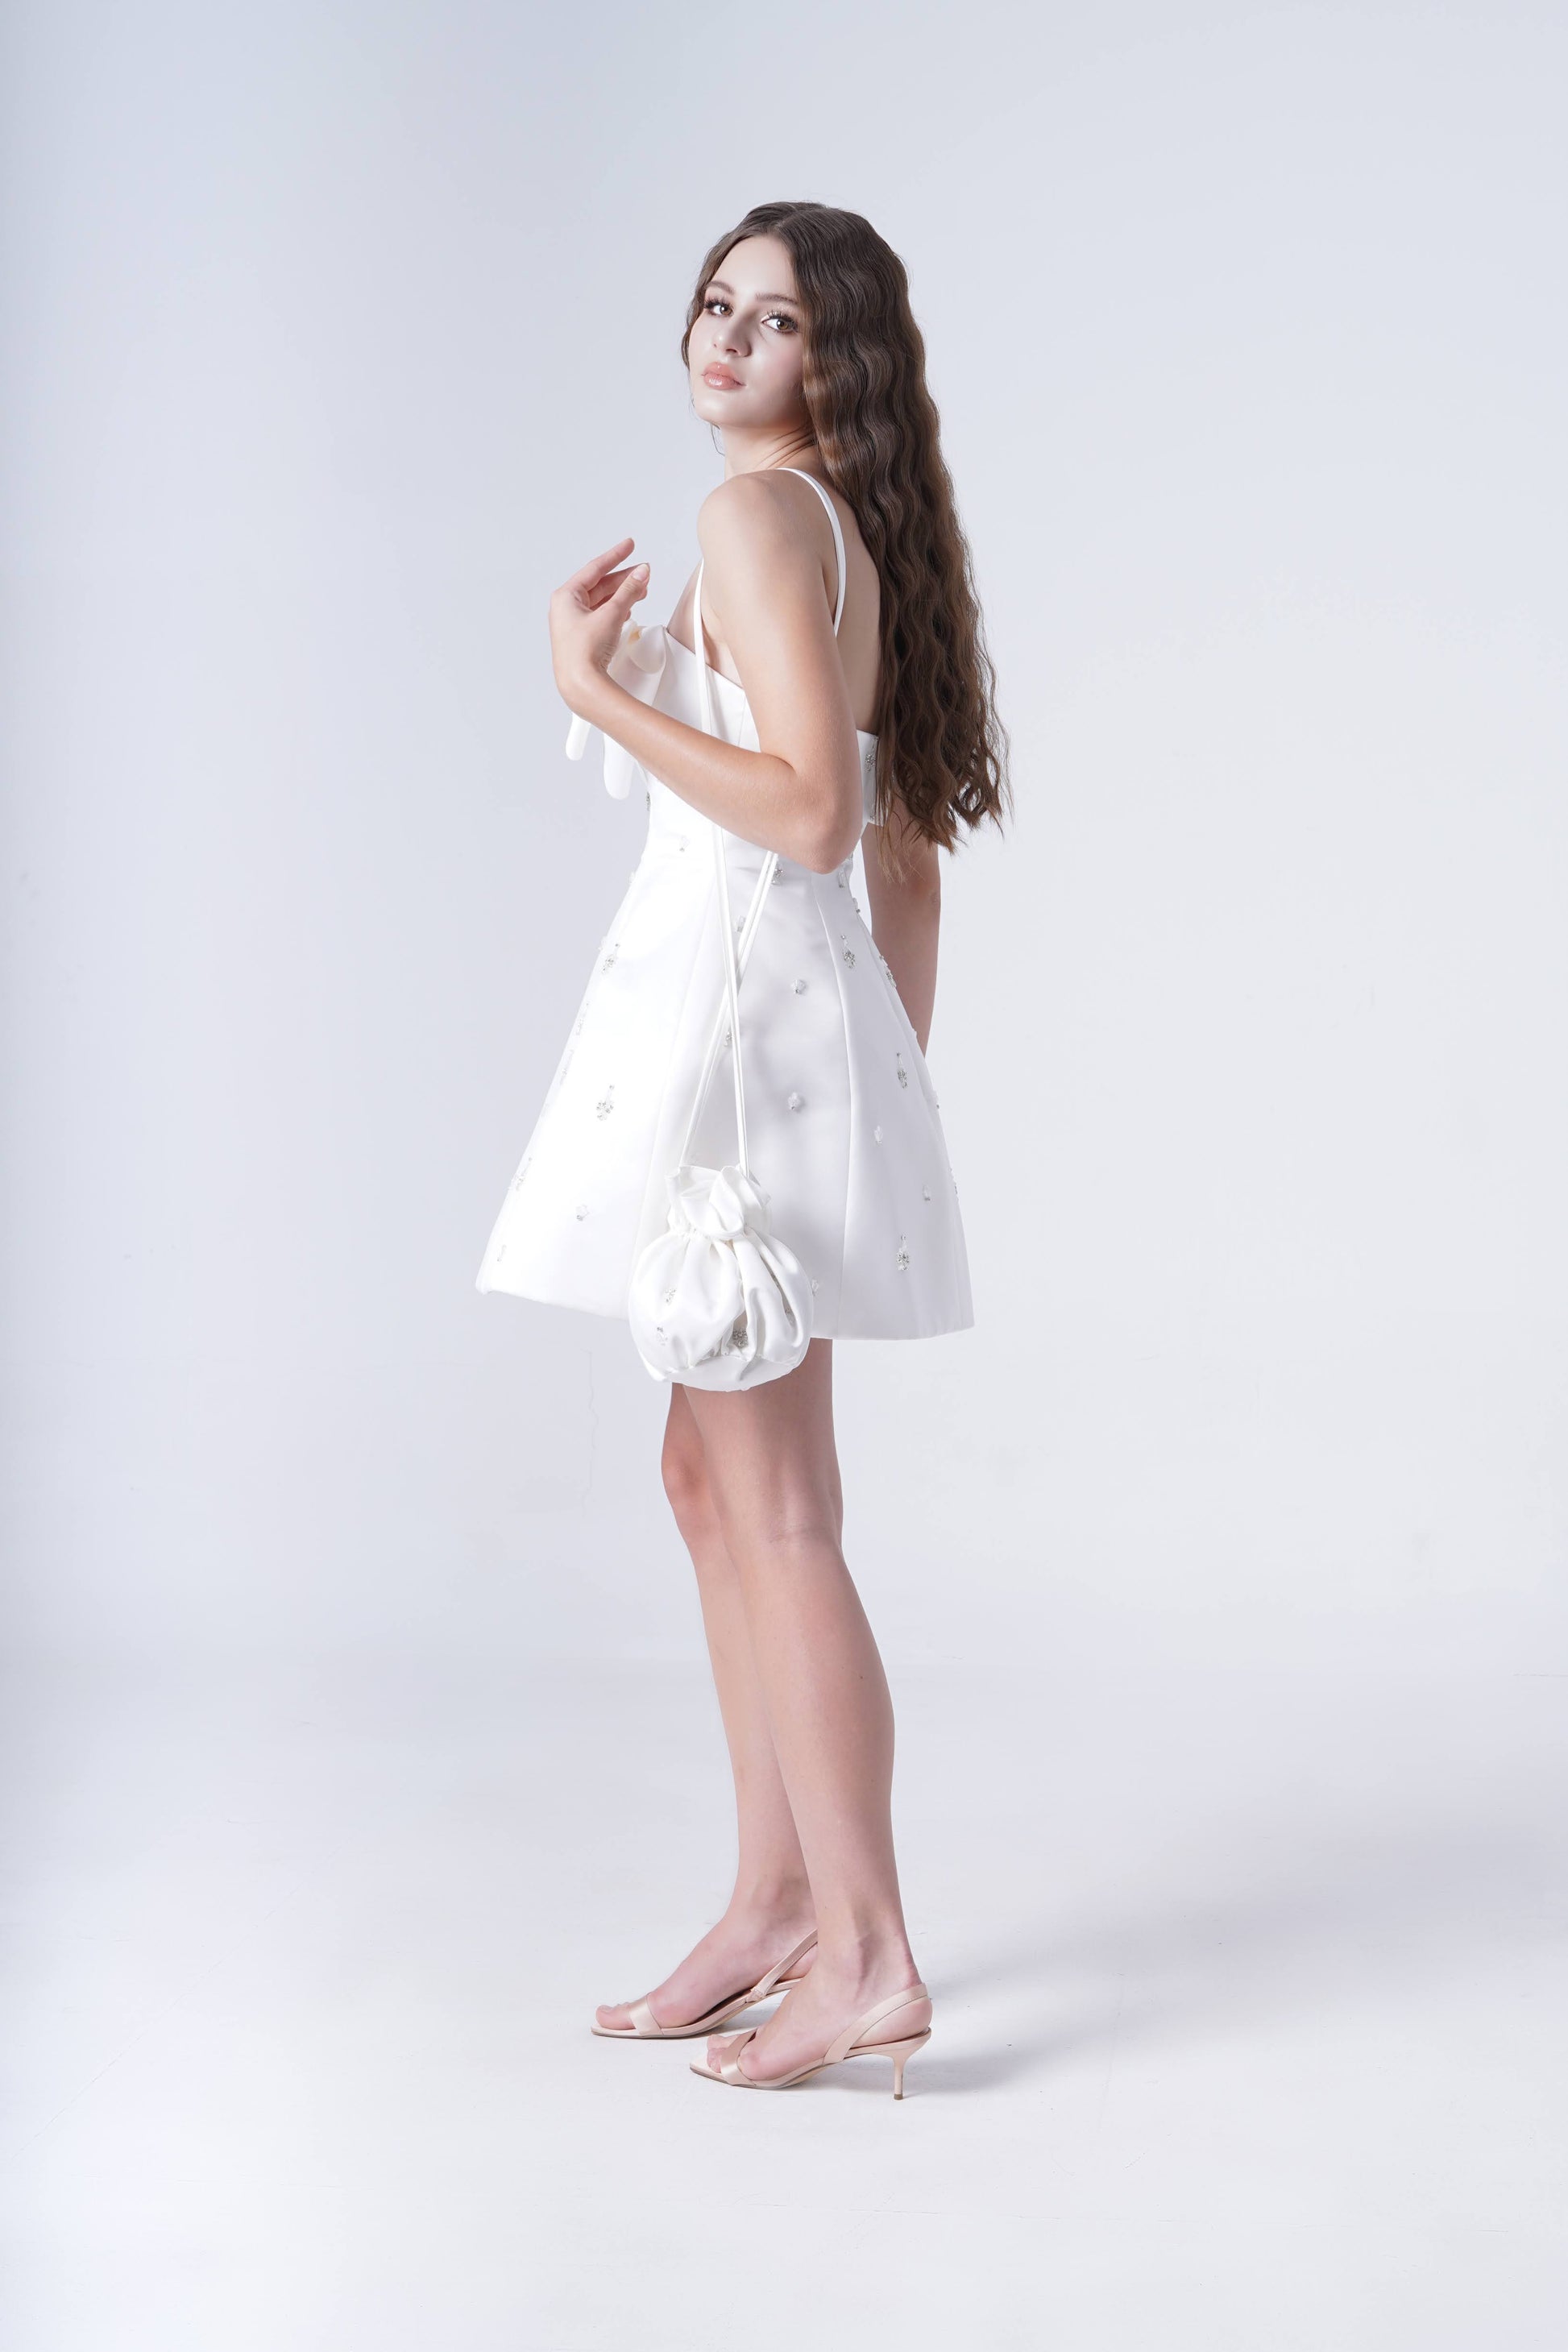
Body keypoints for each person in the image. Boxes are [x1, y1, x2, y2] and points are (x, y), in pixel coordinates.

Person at [475, 201, 1007, 2094]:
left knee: (772, 1505)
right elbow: (898, 850)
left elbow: (797, 816)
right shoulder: (846, 535)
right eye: (712, 302)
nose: (722, 338)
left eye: (769, 320)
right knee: (713, 1481)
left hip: (740, 1051)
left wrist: (598, 692)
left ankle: (866, 1949)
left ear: (829, 360)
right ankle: (775, 1901)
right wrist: (876, 1091)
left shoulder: (756, 522)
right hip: (781, 1050)